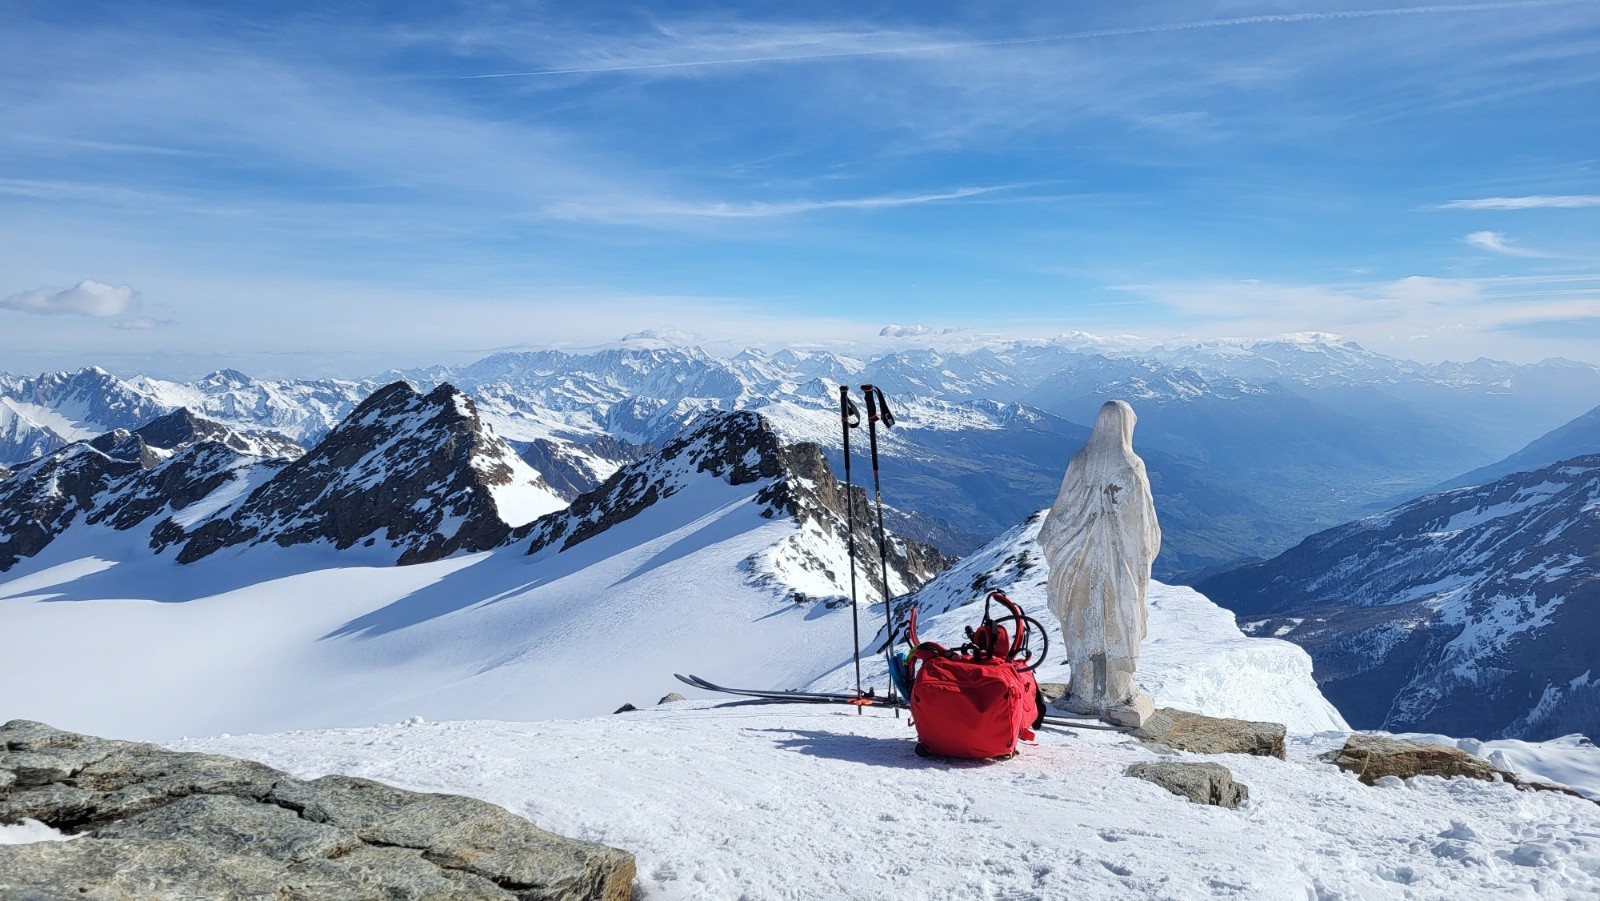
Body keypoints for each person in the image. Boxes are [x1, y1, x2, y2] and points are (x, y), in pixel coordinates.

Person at [1038, 399, 1161, 726]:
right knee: (1115, 622)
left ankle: (1083, 692)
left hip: (1078, 564)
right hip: (1117, 568)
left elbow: (1061, 513)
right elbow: (1144, 528)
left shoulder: (1080, 462)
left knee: (1084, 623)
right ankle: (1118, 695)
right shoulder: (1131, 467)